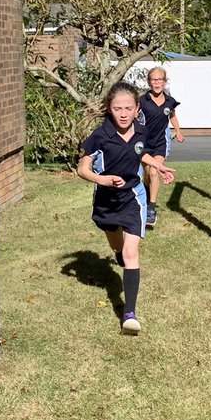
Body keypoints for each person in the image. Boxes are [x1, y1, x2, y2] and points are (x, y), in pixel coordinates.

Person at [77, 82, 175, 335]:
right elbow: (82, 169)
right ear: (109, 109)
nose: (123, 113)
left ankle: (129, 314)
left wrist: (159, 167)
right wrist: (102, 180)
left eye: (128, 108)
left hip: (133, 197)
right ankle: (118, 252)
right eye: (117, 108)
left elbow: (141, 153)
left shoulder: (141, 131)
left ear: (136, 108)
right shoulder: (100, 135)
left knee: (131, 253)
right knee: (115, 242)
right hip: (106, 200)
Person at [138, 66, 183, 227]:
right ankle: (147, 189)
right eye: (153, 79)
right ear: (149, 82)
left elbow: (173, 117)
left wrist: (177, 131)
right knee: (148, 175)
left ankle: (151, 209)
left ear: (165, 82)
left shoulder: (170, 101)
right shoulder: (142, 101)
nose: (156, 83)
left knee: (154, 171)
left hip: (160, 143)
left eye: (159, 79)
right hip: (143, 144)